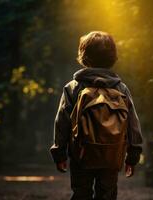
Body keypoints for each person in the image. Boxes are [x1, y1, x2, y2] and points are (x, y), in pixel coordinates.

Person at [50, 31, 143, 200]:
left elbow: (62, 122)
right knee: (107, 195)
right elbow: (132, 124)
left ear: (83, 56)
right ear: (112, 56)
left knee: (81, 193)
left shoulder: (73, 87)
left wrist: (59, 154)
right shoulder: (121, 89)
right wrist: (133, 156)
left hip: (81, 154)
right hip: (112, 153)